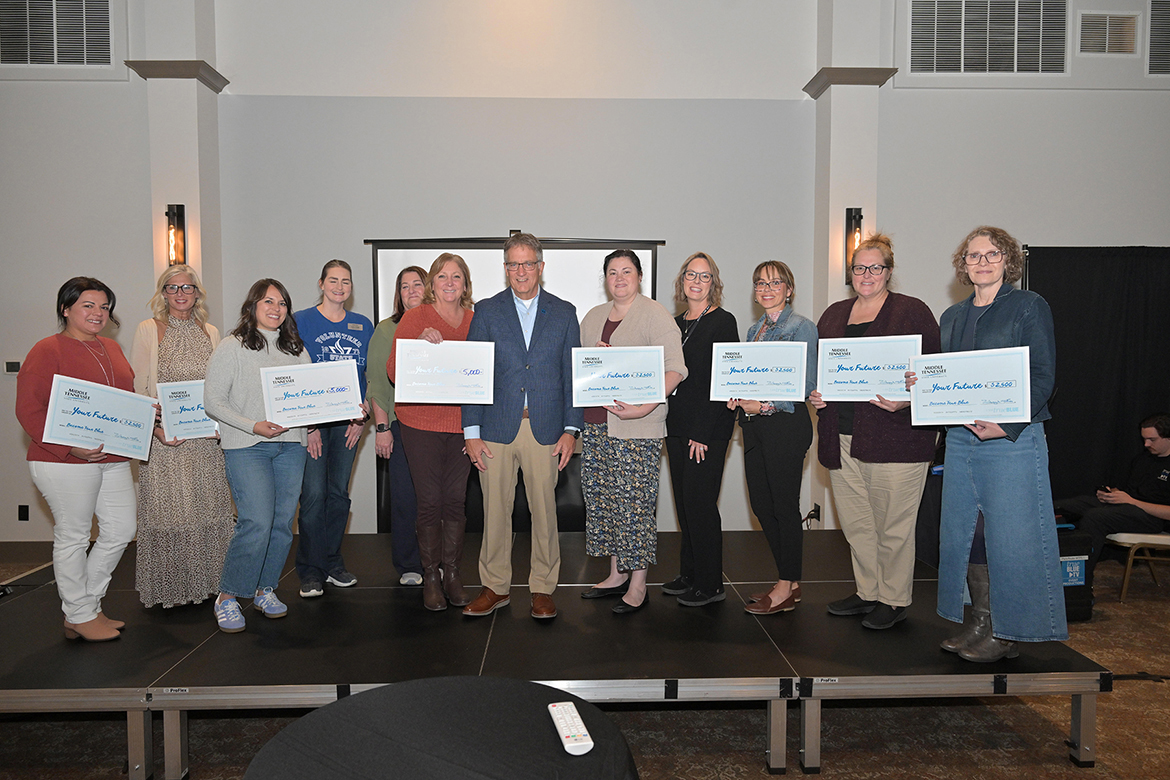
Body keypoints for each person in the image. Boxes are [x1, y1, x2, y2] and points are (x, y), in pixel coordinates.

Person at [912, 225, 1067, 662]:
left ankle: (1009, 629)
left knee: (1012, 536)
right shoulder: (952, 317)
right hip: (962, 440)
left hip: (1012, 440)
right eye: (973, 255)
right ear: (963, 264)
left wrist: (1007, 423)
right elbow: (950, 378)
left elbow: (1043, 376)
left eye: (991, 254)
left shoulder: (1029, 306)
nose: (981, 262)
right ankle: (980, 619)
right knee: (969, 533)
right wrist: (922, 384)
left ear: (1008, 261)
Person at [808, 234, 940, 629]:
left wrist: (909, 399)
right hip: (841, 436)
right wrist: (817, 394)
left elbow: (934, 374)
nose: (867, 275)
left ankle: (894, 599)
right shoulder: (833, 315)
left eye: (875, 267)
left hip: (896, 438)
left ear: (889, 271)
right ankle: (868, 591)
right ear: (850, 273)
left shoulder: (913, 312)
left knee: (893, 525)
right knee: (858, 524)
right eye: (859, 268)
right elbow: (823, 370)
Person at [461, 233, 584, 620]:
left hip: (546, 430)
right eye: (513, 264)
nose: (520, 271)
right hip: (495, 428)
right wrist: (470, 433)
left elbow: (571, 375)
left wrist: (571, 429)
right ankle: (495, 586)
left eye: (528, 263)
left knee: (544, 513)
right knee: (494, 511)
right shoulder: (487, 311)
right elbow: (473, 375)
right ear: (505, 269)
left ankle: (543, 588)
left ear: (541, 267)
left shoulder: (564, 312)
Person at [17, 278, 136, 642]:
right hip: (62, 462)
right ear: (66, 309)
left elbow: (126, 402)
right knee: (73, 536)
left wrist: (149, 422)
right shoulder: (47, 349)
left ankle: (86, 606)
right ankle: (80, 613)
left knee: (121, 530)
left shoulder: (112, 349)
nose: (98, 313)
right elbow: (29, 410)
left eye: (103, 307)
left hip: (110, 457)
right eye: (88, 305)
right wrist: (71, 447)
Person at [579, 250, 687, 614]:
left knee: (634, 507)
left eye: (627, 271)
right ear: (605, 279)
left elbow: (676, 368)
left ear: (640, 276)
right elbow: (585, 369)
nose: (619, 278)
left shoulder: (654, 314)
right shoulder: (593, 317)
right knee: (605, 503)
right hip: (595, 425)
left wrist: (646, 405)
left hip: (638, 427)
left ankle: (638, 582)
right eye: (612, 272)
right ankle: (616, 573)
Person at [205, 279, 311, 633]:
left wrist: (344, 409)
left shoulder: (296, 349)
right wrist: (254, 425)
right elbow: (213, 402)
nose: (276, 308)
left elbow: (310, 396)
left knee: (282, 523)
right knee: (256, 522)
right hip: (248, 447)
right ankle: (229, 596)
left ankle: (265, 588)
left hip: (291, 447)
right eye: (268, 301)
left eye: (282, 303)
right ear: (252, 306)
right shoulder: (230, 347)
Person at [129, 264, 234, 608]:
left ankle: (210, 584)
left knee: (207, 508)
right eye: (172, 288)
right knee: (171, 513)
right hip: (167, 441)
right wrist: (155, 429)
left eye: (187, 288)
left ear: (197, 293)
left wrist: (221, 426)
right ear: (163, 294)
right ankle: (172, 588)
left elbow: (220, 387)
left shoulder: (212, 332)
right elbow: (140, 386)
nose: (180, 294)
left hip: (206, 441)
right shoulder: (149, 329)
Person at [729, 261, 818, 616]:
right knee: (762, 506)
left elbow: (805, 384)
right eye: (760, 283)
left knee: (784, 507)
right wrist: (736, 394)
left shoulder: (802, 328)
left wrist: (762, 404)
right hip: (754, 427)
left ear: (789, 289)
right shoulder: (753, 330)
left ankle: (785, 586)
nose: (766, 289)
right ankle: (790, 580)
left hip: (785, 425)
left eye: (775, 282)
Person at [388, 254, 476, 611]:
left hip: (463, 426)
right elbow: (395, 370)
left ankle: (452, 573)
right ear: (432, 284)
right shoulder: (415, 318)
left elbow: (487, 369)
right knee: (429, 501)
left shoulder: (475, 321)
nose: (450, 283)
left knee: (455, 500)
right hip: (419, 424)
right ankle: (431, 577)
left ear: (466, 285)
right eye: (442, 276)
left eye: (457, 277)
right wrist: (419, 349)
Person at [661, 252, 739, 607]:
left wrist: (703, 432)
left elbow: (724, 380)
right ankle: (690, 572)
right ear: (682, 281)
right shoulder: (673, 323)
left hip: (705, 430)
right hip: (675, 427)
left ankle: (711, 583)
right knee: (684, 503)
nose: (696, 281)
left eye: (704, 276)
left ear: (714, 284)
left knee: (701, 503)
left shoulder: (723, 321)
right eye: (691, 274)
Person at [293, 260, 373, 598]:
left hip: (348, 424)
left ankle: (333, 563)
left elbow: (370, 376)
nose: (340, 287)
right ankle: (310, 570)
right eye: (333, 280)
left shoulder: (362, 324)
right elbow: (293, 373)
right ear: (321, 283)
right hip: (312, 422)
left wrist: (363, 416)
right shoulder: (300, 321)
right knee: (313, 494)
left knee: (338, 494)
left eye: (346, 281)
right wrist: (307, 425)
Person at [1054, 413, 1170, 585]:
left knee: (1096, 517)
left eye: (1152, 439)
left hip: (1154, 519)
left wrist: (1131, 501)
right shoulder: (1143, 459)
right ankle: (1047, 567)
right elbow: (1132, 493)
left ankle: (1080, 582)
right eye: (1144, 439)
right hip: (1130, 508)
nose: (1146, 444)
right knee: (1067, 506)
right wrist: (1113, 495)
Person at [366, 265, 427, 586]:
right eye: (405, 286)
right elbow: (377, 381)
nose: (412, 290)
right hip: (400, 424)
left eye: (418, 284)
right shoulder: (386, 329)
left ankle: (435, 561)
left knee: (435, 500)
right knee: (405, 497)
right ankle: (409, 565)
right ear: (398, 294)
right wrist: (382, 427)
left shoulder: (441, 324)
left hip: (436, 426)